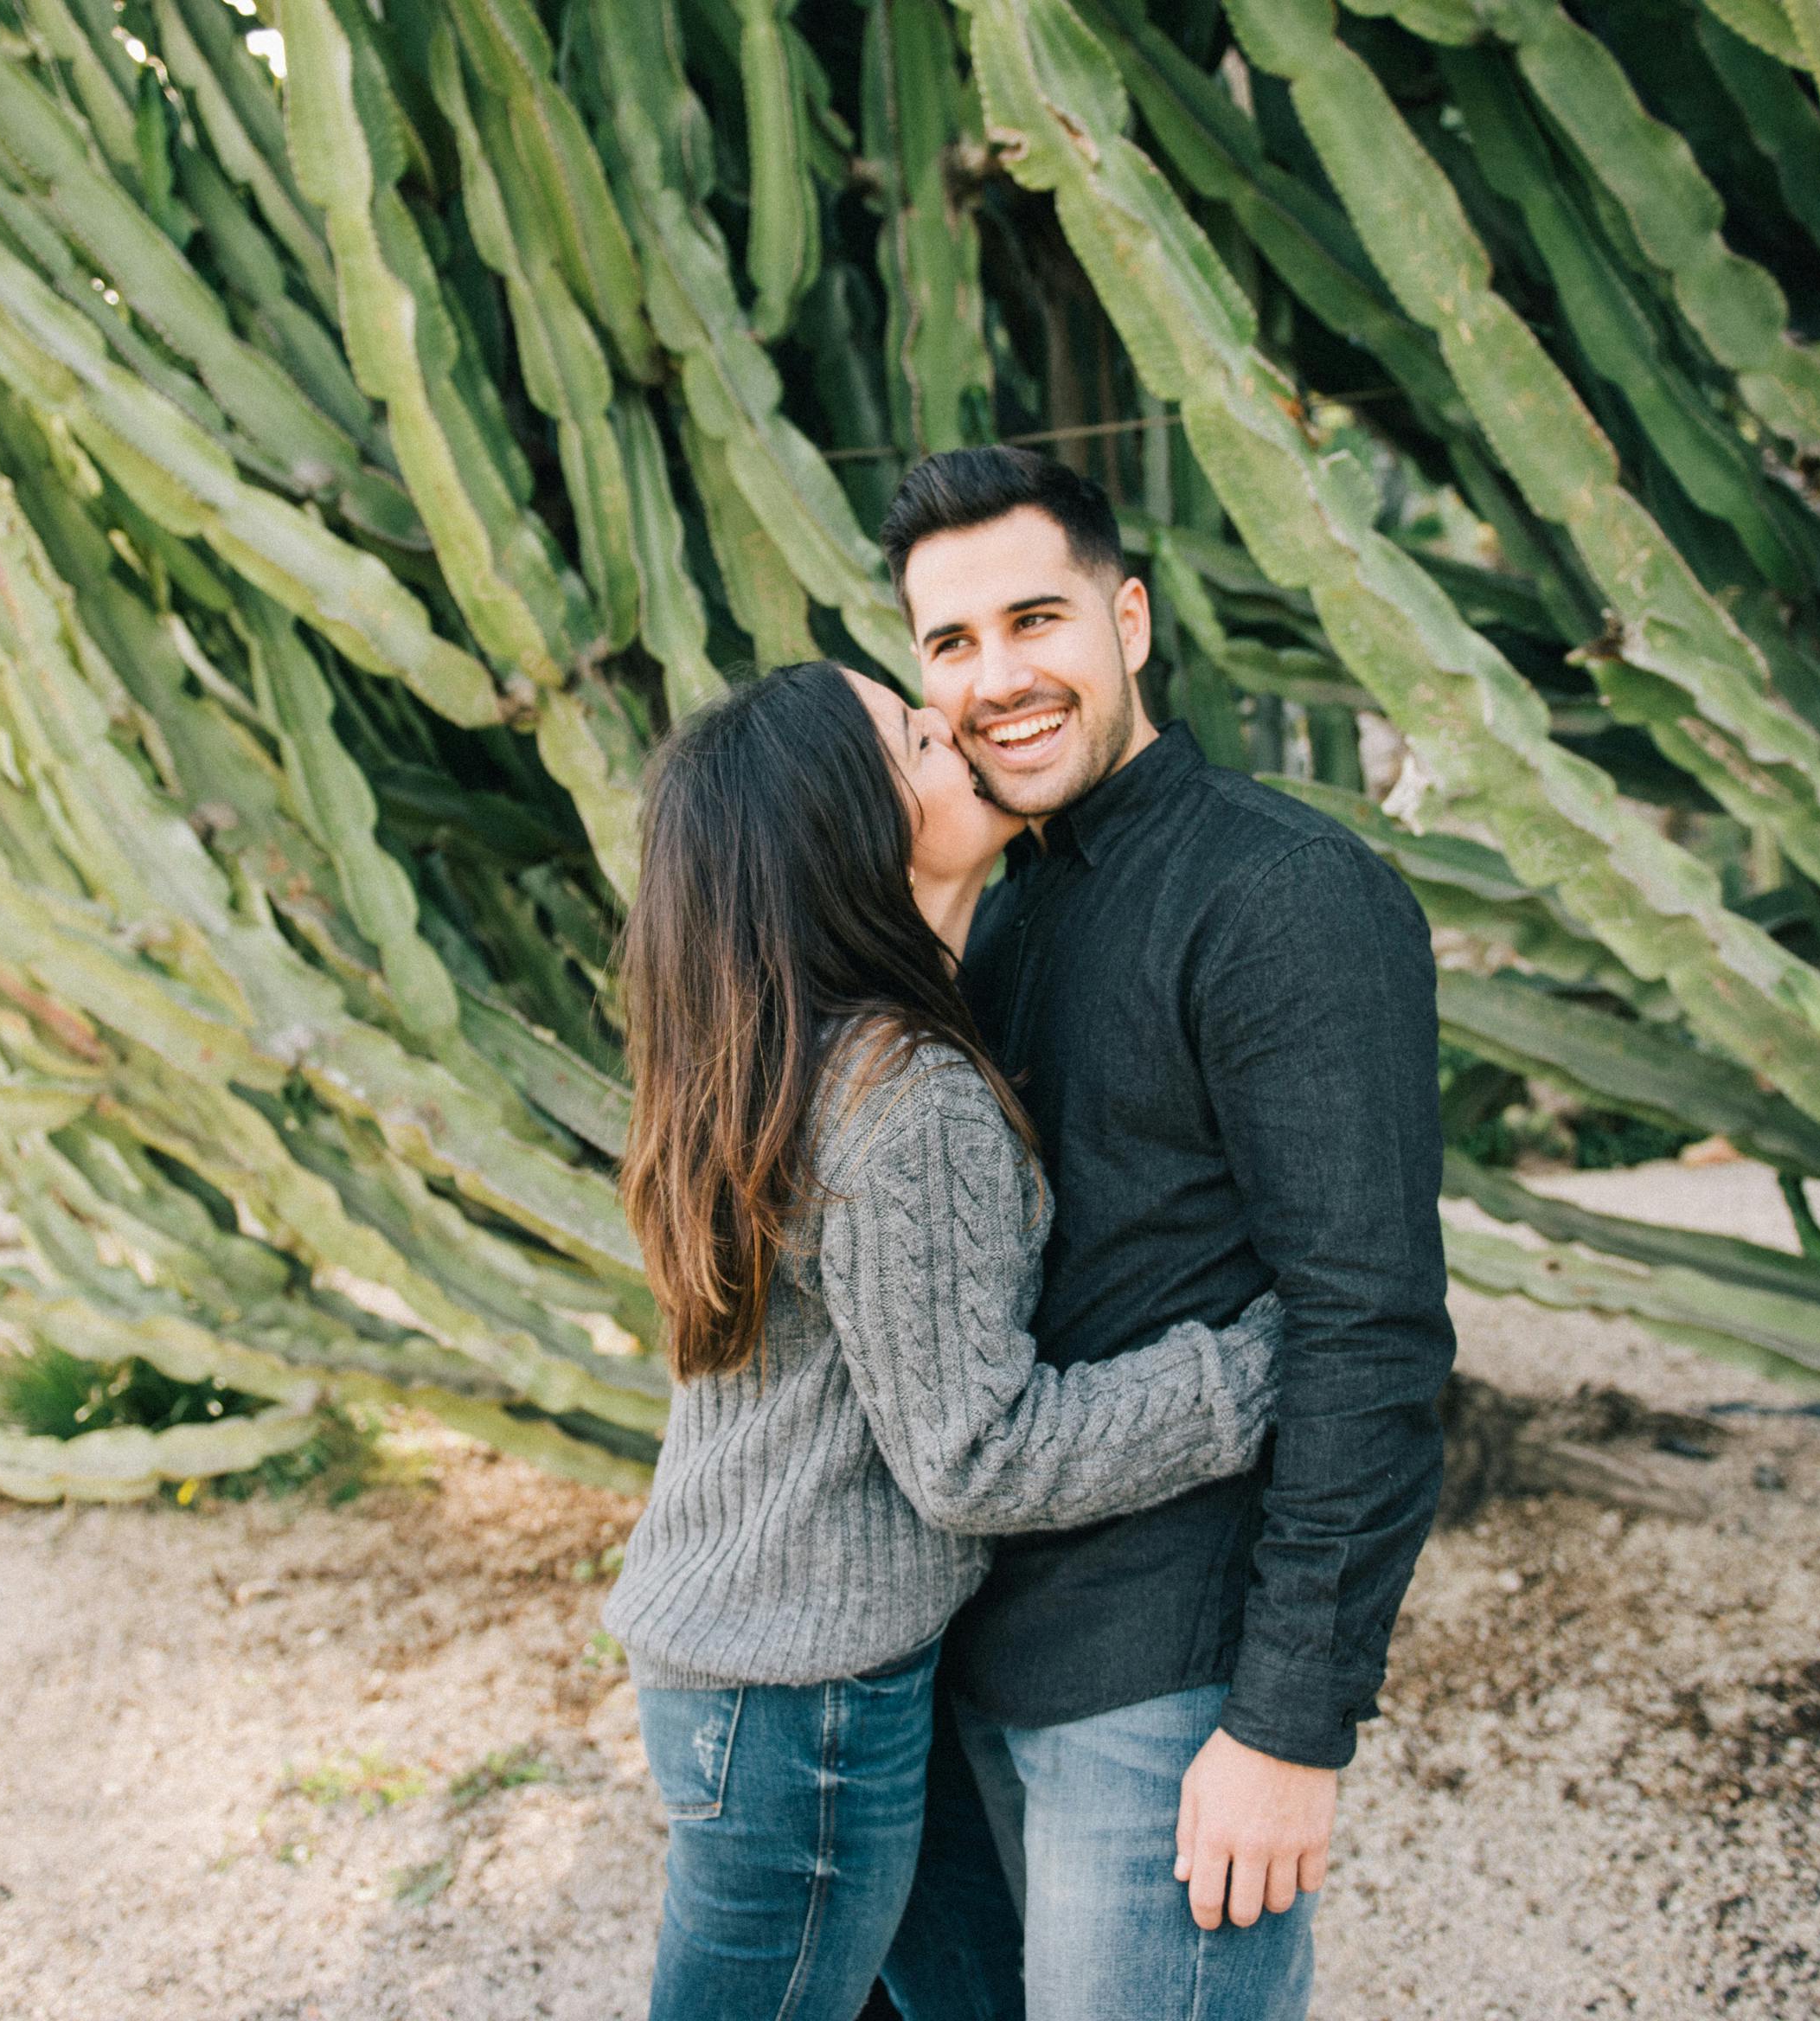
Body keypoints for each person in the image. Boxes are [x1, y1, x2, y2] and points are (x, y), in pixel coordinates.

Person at [603, 658, 1287, 2021]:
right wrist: (1251, 1366)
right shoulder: (905, 1096)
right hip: (805, 1706)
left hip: (777, 1671)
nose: (957, 726)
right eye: (914, 736)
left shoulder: (789, 1049)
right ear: (854, 827)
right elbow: (974, 1458)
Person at [881, 446, 1456, 2021]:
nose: (1000, 676)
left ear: (1129, 620)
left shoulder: (1285, 898)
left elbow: (1372, 1326)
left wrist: (1287, 1727)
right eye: (952, 644)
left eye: (1037, 619)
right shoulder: (991, 902)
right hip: (975, 1654)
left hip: (1168, 1685)